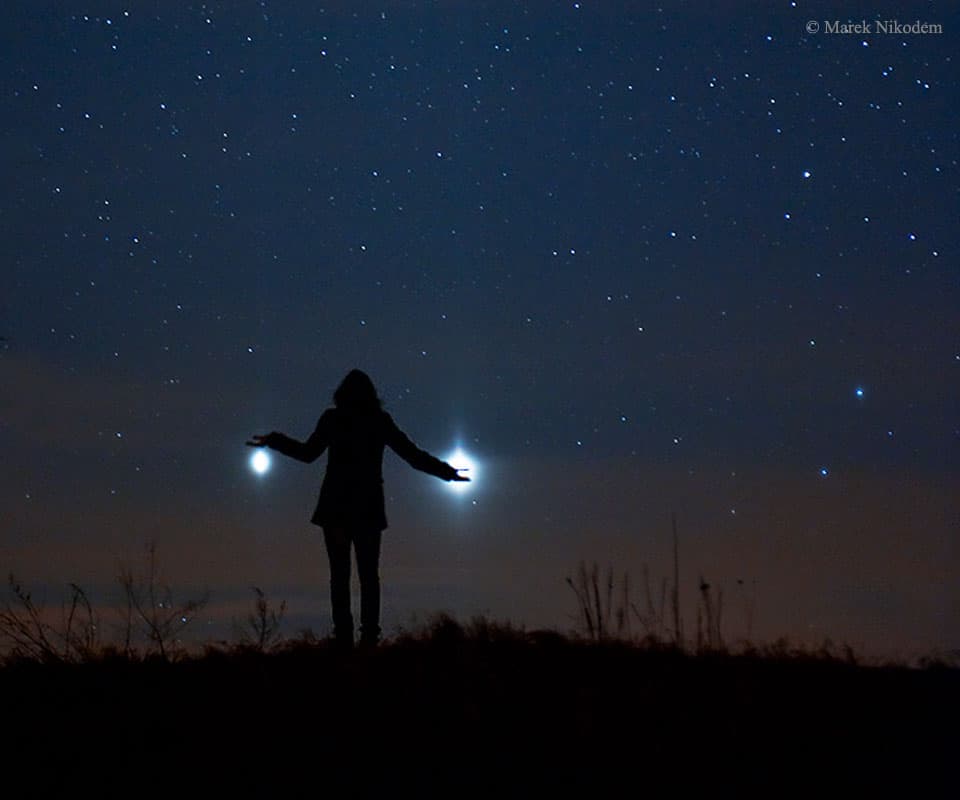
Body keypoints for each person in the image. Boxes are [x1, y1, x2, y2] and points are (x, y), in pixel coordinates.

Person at [247, 369, 469, 647]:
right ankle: (368, 638)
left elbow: (307, 454)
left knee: (340, 575)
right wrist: (446, 472)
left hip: (337, 508)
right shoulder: (378, 421)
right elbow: (412, 455)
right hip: (366, 509)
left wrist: (275, 441)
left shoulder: (334, 419)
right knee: (367, 575)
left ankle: (345, 638)